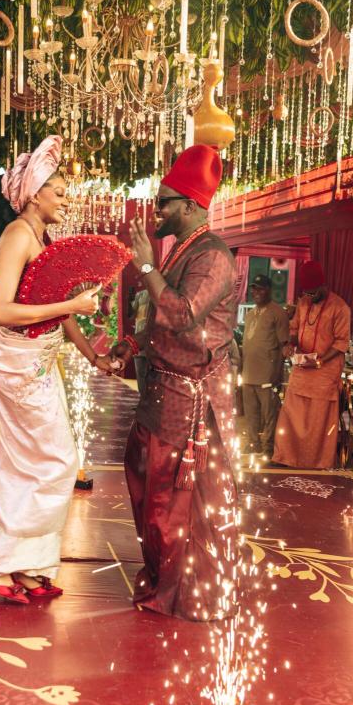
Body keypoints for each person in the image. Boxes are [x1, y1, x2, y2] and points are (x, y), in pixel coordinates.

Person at [0, 134, 112, 605]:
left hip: (41, 364)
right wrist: (71, 304)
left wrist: (93, 356)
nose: (66, 200)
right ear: (33, 195)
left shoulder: (44, 238)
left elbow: (59, 312)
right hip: (18, 366)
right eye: (59, 192)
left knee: (35, 468)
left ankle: (29, 568)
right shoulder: (17, 237)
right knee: (56, 464)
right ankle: (1, 562)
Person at [110, 144, 238, 621]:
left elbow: (183, 315)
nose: (156, 211)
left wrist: (146, 267)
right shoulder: (184, 249)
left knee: (172, 502)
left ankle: (185, 592)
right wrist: (132, 345)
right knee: (147, 490)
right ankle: (161, 578)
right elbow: (160, 320)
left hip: (189, 402)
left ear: (189, 205)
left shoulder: (214, 256)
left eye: (163, 202)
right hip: (160, 393)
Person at [273, 260, 350, 469]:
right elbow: (294, 329)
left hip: (324, 374)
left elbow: (341, 343)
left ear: (323, 286)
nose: (309, 296)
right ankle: (286, 458)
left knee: (317, 422)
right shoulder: (304, 303)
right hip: (301, 371)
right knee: (292, 415)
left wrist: (320, 360)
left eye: (313, 292)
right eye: (306, 293)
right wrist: (289, 345)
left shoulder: (340, 307)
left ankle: (316, 463)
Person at [241, 274, 289, 459]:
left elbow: (284, 346)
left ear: (269, 290)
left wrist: (277, 374)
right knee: (250, 412)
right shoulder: (250, 314)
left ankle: (268, 446)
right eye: (254, 289)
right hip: (248, 372)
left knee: (269, 413)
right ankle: (253, 443)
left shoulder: (278, 313)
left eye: (260, 289)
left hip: (268, 373)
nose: (256, 292)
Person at [131, 285, 150, 394]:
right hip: (139, 341)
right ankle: (143, 398)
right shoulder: (141, 294)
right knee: (141, 374)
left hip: (155, 342)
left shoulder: (163, 295)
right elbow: (131, 315)